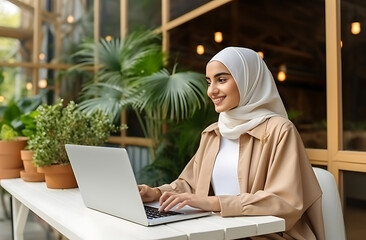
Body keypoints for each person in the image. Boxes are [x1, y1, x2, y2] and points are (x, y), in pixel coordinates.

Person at [139, 47, 324, 239]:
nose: (212, 91)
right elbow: (190, 184)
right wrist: (156, 192)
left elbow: (285, 202)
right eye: (209, 82)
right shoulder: (213, 133)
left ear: (248, 80)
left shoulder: (279, 130)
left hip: (265, 235)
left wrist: (215, 203)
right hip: (218, 231)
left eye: (222, 79)